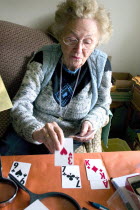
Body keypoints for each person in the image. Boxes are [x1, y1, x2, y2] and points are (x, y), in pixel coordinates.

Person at [0, 0, 113, 155]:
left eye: (87, 41)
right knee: (6, 168)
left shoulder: (102, 64)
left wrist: (91, 122)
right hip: (32, 129)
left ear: (97, 42)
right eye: (71, 39)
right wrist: (36, 130)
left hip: (69, 137)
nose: (78, 50)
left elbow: (103, 105)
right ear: (61, 36)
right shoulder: (43, 57)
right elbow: (21, 103)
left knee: (56, 175)